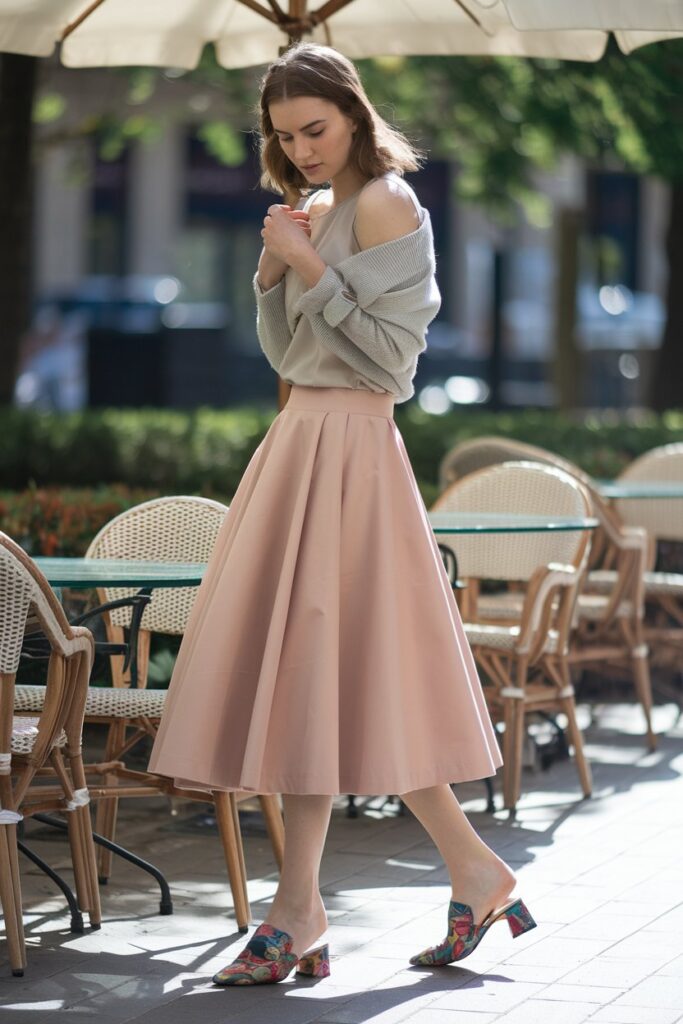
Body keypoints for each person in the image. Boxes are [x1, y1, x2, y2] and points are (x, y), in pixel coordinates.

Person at [148, 41, 535, 987]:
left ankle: (318, 907)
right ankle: (389, 890)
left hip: (354, 453)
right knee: (310, 687)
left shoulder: (387, 204)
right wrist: (276, 267)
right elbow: (288, 354)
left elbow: (389, 364)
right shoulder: (316, 209)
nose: (302, 149)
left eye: (314, 129)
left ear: (356, 116)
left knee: (337, 676)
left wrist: (304, 265)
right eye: (284, 136)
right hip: (300, 450)